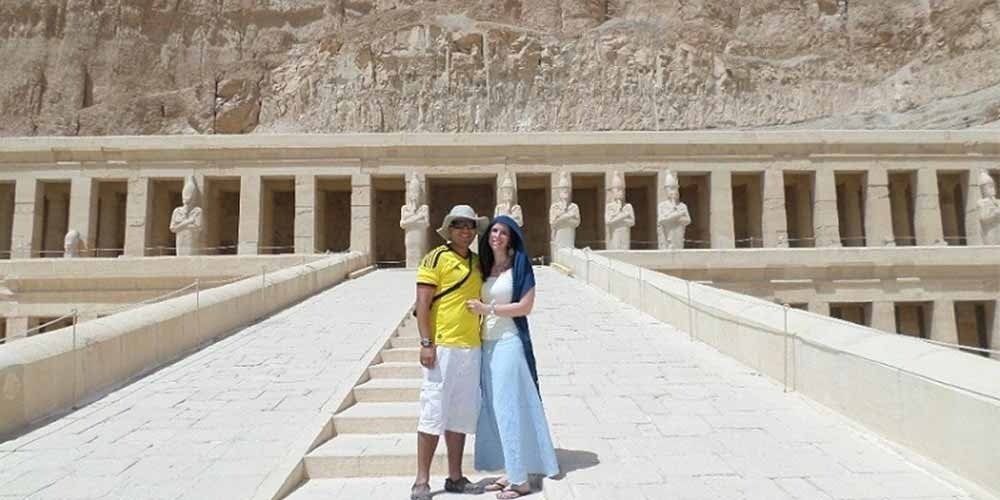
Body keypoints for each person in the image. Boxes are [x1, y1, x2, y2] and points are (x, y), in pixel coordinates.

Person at [466, 215, 560, 499]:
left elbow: (525, 307)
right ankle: (512, 468)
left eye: (503, 232)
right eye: (494, 230)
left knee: (507, 407)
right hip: (487, 344)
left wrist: (488, 309)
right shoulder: (485, 266)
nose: (497, 235)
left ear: (512, 237)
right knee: (495, 408)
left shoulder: (519, 265)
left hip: (508, 342)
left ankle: (520, 481)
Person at [412, 205, 489, 500]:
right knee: (433, 411)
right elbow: (422, 303)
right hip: (442, 346)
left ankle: (455, 477)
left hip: (471, 346)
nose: (465, 230)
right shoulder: (435, 258)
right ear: (449, 229)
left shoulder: (478, 262)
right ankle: (421, 480)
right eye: (459, 226)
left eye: (470, 225)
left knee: (460, 415)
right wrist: (426, 343)